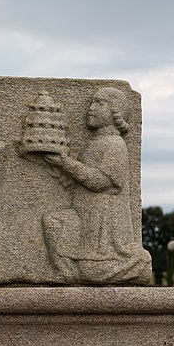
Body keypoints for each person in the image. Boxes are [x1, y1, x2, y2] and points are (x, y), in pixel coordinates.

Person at [36, 87, 151, 284]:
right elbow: (79, 183)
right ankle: (67, 273)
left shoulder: (115, 144)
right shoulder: (94, 143)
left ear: (115, 112)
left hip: (102, 220)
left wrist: (65, 163)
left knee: (93, 270)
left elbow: (101, 182)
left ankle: (136, 264)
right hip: (83, 212)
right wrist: (56, 167)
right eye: (92, 102)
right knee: (53, 222)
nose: (91, 108)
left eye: (99, 103)